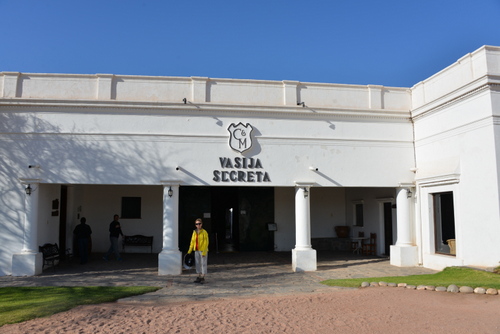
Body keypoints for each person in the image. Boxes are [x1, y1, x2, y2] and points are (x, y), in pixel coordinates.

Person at [187, 218, 209, 284]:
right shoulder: (194, 232)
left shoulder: (204, 232)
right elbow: (192, 241)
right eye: (197, 224)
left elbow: (206, 242)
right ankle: (199, 276)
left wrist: (204, 251)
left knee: (203, 264)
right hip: (196, 250)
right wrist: (189, 250)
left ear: (201, 224)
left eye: (199, 224)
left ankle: (203, 277)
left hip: (202, 250)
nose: (198, 225)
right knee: (197, 263)